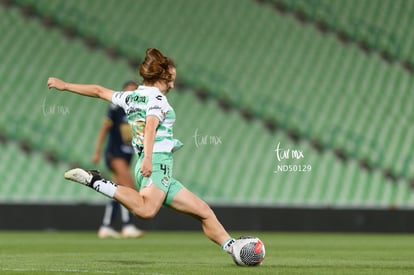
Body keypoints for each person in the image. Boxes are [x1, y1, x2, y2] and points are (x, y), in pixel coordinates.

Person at [47, 48, 235, 255]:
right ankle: (96, 181)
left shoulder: (131, 97)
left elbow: (99, 91)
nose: (173, 85)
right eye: (171, 79)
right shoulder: (158, 99)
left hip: (155, 165)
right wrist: (148, 159)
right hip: (155, 163)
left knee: (203, 212)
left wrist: (65, 86)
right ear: (161, 77)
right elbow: (150, 126)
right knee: (146, 210)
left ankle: (233, 247)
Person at [92, 80, 144, 239]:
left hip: (126, 156)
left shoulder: (138, 111)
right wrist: (97, 151)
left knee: (118, 190)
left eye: (134, 91)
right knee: (130, 189)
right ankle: (127, 225)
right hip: (115, 155)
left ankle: (106, 226)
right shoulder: (116, 107)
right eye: (128, 91)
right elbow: (104, 128)